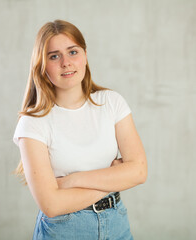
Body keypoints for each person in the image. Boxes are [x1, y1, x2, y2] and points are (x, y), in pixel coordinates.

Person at [12, 19, 147, 240]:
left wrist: (72, 181)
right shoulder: (33, 122)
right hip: (64, 229)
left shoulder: (112, 103)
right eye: (54, 56)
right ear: (41, 64)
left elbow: (139, 172)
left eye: (72, 52)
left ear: (84, 55)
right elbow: (52, 205)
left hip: (117, 224)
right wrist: (115, 179)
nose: (66, 62)